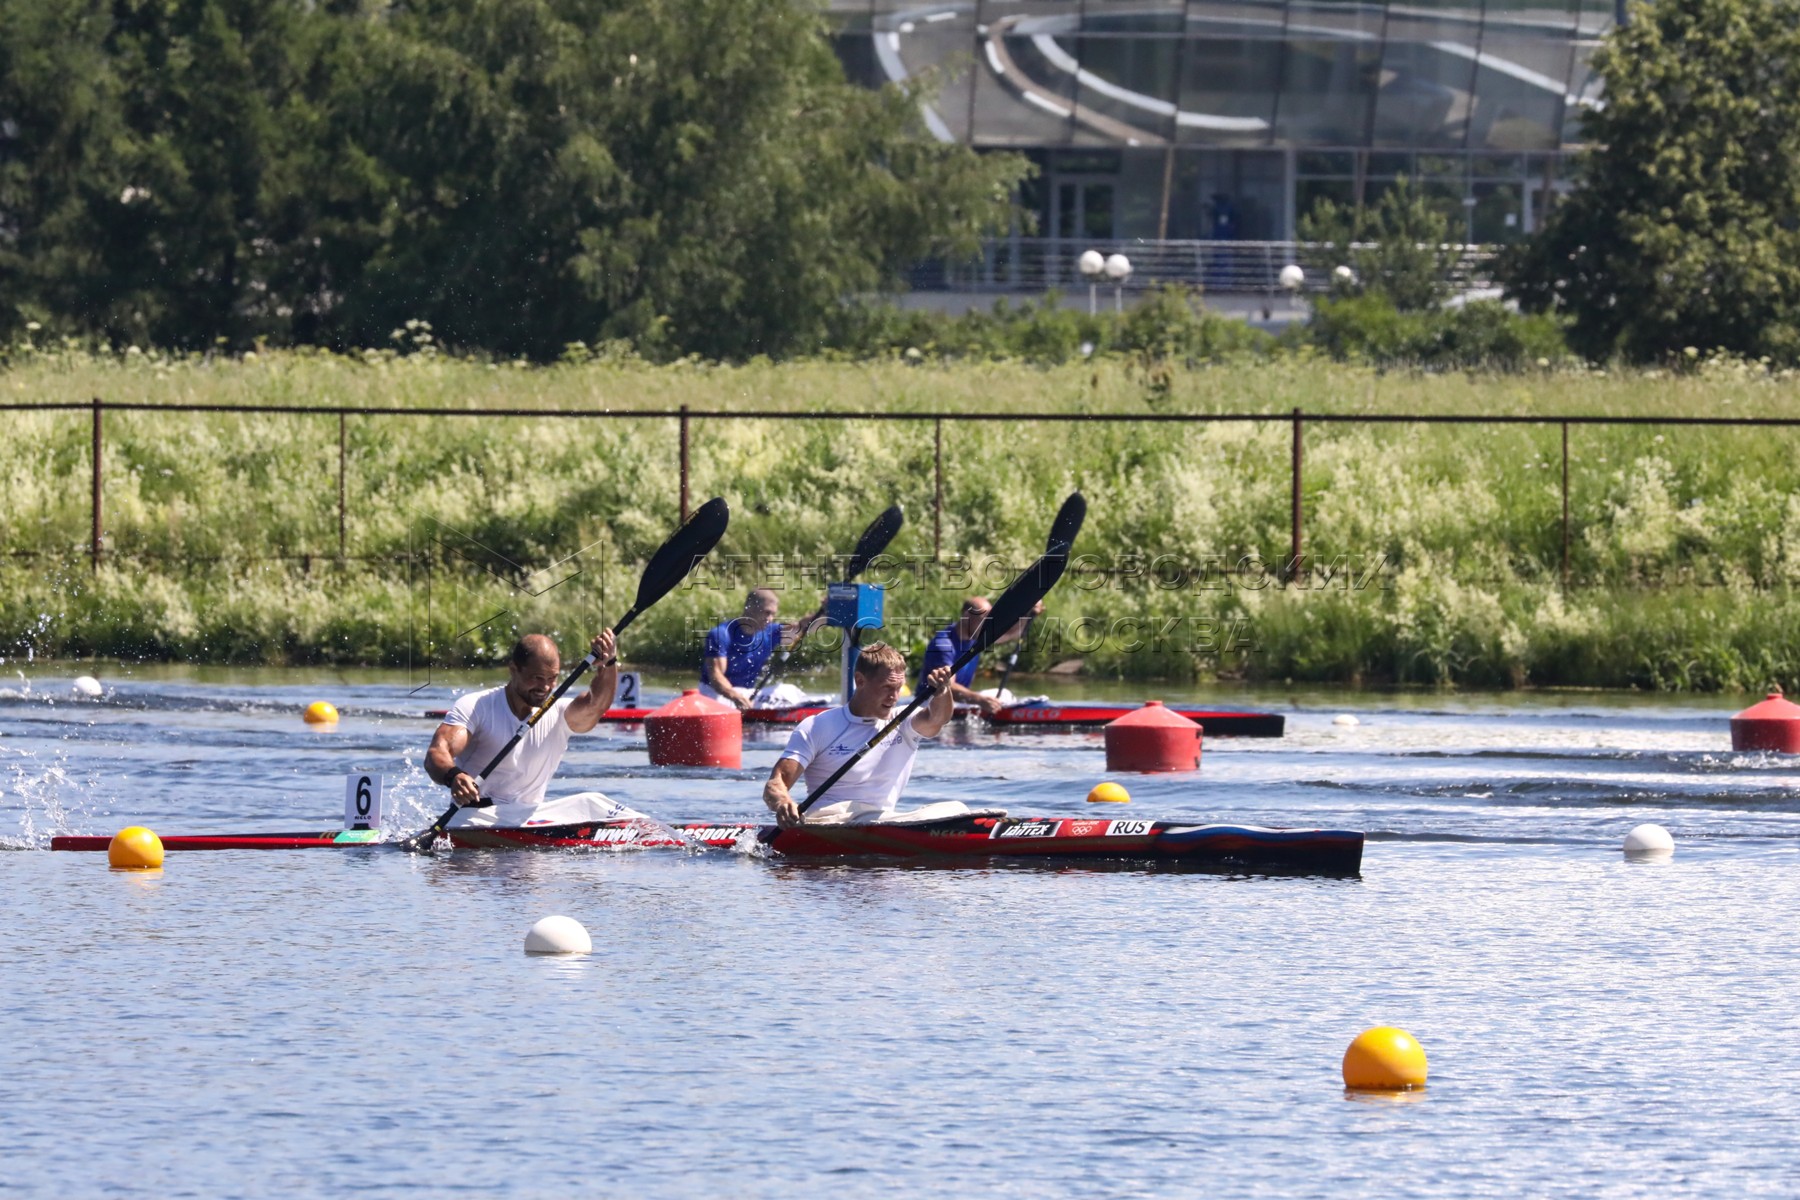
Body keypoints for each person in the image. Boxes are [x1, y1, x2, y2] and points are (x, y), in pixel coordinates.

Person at [764, 642, 953, 827]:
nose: (894, 697)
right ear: (860, 680)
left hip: (881, 821)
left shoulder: (903, 721)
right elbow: (776, 783)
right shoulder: (817, 727)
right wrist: (783, 803)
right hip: (827, 822)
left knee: (953, 809)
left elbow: (937, 719)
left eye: (898, 688)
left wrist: (943, 691)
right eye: (887, 687)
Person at [424, 631, 617, 807]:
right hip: (476, 814)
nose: (545, 687)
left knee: (592, 802)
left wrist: (608, 663)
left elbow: (597, 705)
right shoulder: (477, 706)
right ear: (513, 669)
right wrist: (453, 776)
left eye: (552, 678)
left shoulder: (559, 713)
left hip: (527, 818)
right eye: (537, 677)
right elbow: (438, 751)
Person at [917, 596, 1042, 716]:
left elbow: (1011, 634)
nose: (987, 624)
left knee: (1005, 694)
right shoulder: (944, 644)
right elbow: (947, 686)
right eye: (983, 618)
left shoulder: (976, 636)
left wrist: (1028, 614)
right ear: (967, 616)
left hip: (958, 702)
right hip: (930, 703)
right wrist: (979, 700)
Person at [701, 587, 799, 710]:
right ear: (749, 607)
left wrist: (822, 614)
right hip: (715, 695)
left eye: (773, 614)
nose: (770, 619)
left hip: (746, 696)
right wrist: (735, 696)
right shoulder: (721, 634)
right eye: (766, 612)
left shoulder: (770, 632)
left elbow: (803, 627)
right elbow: (716, 676)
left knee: (788, 690)